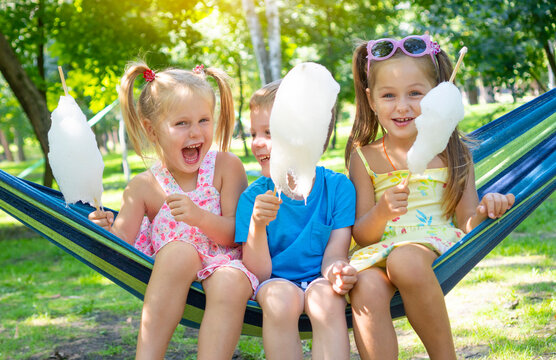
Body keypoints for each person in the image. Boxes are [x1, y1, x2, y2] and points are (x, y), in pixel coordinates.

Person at [344, 34, 515, 360]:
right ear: (371, 100)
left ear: (438, 96)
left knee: (404, 260)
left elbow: (467, 221)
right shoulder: (363, 157)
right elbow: (363, 235)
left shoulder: (452, 153)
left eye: (415, 94)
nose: (403, 106)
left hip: (430, 248)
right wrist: (382, 211)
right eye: (389, 96)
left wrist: (487, 207)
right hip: (378, 252)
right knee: (364, 286)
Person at [88, 62, 258, 359]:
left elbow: (237, 235)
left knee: (230, 282)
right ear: (152, 130)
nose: (195, 133)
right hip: (172, 271)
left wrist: (199, 217)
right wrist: (104, 229)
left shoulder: (226, 167)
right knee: (180, 251)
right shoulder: (142, 187)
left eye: (204, 120)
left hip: (225, 263)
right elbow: (119, 247)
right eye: (182, 123)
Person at [235, 79, 357, 360]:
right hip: (275, 281)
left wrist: (338, 271)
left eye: (269, 132)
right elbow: (259, 273)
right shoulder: (251, 199)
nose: (256, 142)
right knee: (281, 300)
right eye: (253, 133)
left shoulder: (338, 189)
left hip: (320, 279)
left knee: (327, 299)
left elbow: (335, 254)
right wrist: (257, 225)